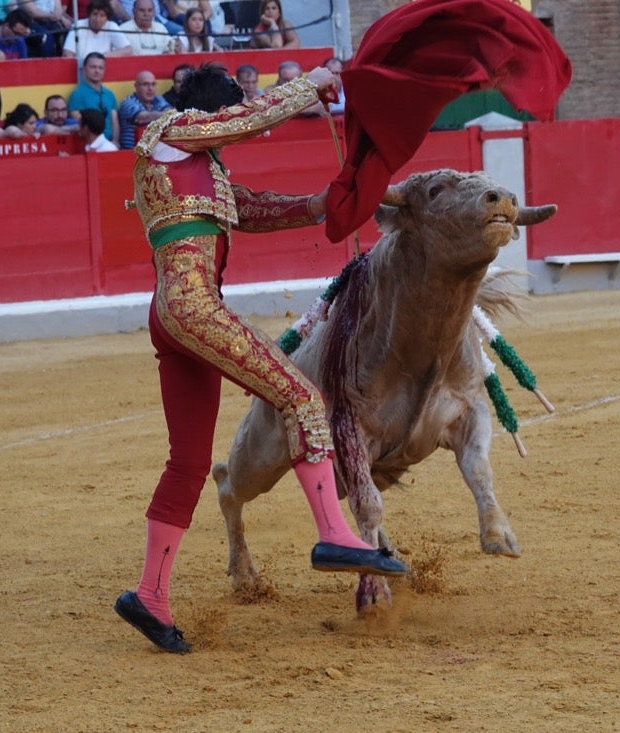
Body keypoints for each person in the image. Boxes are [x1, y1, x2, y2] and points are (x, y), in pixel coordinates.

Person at [113, 62, 408, 654]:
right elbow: (246, 118)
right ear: (207, 109)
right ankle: (334, 533)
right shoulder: (169, 129)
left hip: (174, 316)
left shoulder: (199, 170)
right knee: (302, 396)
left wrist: (330, 202)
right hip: (192, 306)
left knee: (188, 463)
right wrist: (311, 83)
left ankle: (150, 594)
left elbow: (260, 209)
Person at [67, 51, 120, 145]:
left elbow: (114, 122)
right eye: (93, 67)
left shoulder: (109, 94)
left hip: (110, 143)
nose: (97, 71)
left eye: (100, 68)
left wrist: (115, 141)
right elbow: (80, 123)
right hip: (90, 145)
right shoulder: (77, 94)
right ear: (84, 69)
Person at [61, 0, 132, 62]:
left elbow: (128, 50)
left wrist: (102, 56)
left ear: (107, 17)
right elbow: (67, 54)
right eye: (95, 14)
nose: (97, 19)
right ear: (89, 14)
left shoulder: (111, 26)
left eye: (102, 15)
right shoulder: (78, 25)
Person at [118, 69, 170, 149]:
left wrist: (167, 115)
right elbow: (143, 118)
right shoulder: (128, 102)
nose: (150, 88)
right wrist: (166, 116)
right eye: (146, 84)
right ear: (136, 86)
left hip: (155, 153)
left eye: (153, 84)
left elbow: (171, 114)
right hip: (131, 154)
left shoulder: (158, 99)